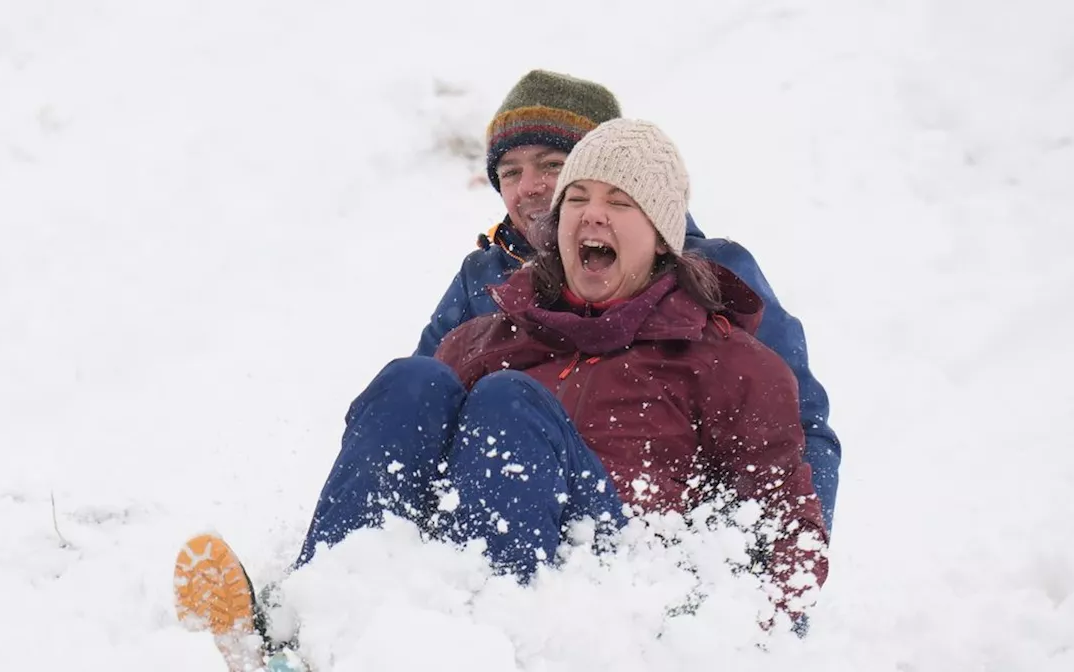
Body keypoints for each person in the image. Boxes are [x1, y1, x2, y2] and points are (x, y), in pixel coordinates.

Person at [174, 119, 828, 672]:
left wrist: (739, 637)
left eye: (620, 201)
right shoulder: (493, 334)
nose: (592, 212)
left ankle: (484, 649)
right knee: (414, 381)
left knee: (510, 404)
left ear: (660, 234)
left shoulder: (725, 360)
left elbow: (787, 529)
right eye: (579, 199)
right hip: (462, 561)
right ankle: (315, 627)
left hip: (609, 594)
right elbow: (398, 435)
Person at [415, 70, 841, 532]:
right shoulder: (484, 279)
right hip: (495, 522)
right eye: (510, 172)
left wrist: (765, 570)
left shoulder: (710, 274)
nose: (528, 186)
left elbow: (793, 431)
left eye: (551, 165)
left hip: (638, 533)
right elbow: (425, 412)